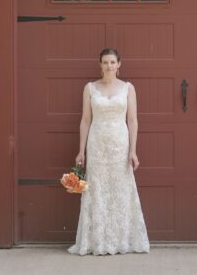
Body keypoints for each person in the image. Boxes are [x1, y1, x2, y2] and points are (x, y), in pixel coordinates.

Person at [68, 48, 150, 255]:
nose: (109, 66)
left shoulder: (128, 88)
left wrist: (133, 151)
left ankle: (122, 241)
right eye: (105, 62)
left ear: (119, 64)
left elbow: (132, 120)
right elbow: (86, 120)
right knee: (97, 190)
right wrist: (81, 151)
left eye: (113, 62)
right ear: (100, 65)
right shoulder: (90, 88)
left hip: (120, 145)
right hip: (97, 145)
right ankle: (96, 241)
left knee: (120, 190)